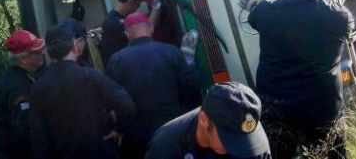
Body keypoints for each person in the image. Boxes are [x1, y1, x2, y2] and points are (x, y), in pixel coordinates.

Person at [238, 0, 352, 158]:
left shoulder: (267, 11)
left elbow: (257, 14)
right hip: (322, 109)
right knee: (334, 154)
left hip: (277, 111)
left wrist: (253, 4)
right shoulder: (340, 17)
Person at [29, 25, 136, 159]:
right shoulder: (92, 76)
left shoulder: (38, 88)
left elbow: (38, 137)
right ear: (74, 46)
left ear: (48, 53)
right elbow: (127, 105)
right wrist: (119, 129)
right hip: (100, 152)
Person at [106, 12, 202, 158]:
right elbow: (192, 85)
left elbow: (113, 102)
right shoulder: (171, 52)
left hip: (137, 135)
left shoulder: (115, 61)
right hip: (173, 128)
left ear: (126, 34)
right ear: (151, 28)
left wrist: (120, 128)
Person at [145, 82, 272, 159]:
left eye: (244, 140)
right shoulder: (166, 147)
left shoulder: (250, 137)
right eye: (229, 138)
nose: (239, 147)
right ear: (203, 120)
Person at [0, 30, 46, 159]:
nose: (42, 53)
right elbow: (25, 131)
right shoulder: (17, 88)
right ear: (22, 59)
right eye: (36, 52)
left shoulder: (27, 76)